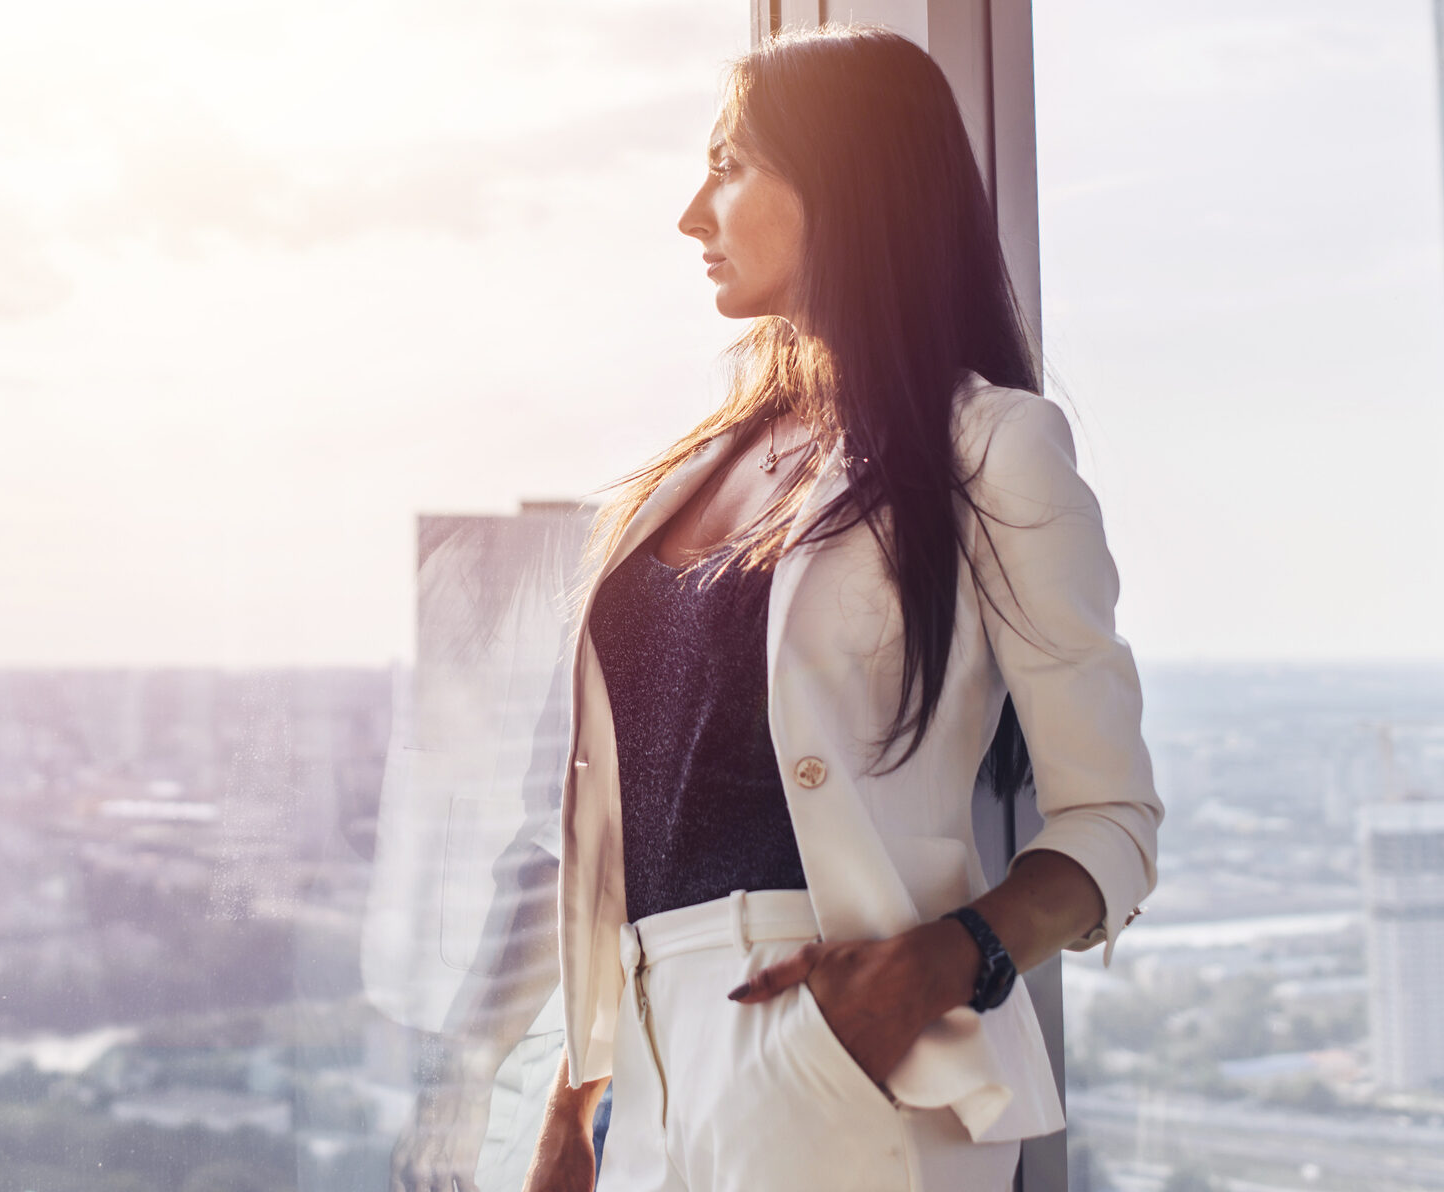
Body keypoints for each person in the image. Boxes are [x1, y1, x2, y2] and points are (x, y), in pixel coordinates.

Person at [392, 24, 1162, 1192]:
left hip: (842, 1051)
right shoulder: (686, 475)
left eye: (729, 163)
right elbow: (629, 832)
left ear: (849, 184)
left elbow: (1113, 822)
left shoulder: (990, 448)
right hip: (650, 1072)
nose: (692, 213)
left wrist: (949, 960)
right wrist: (575, 1088)